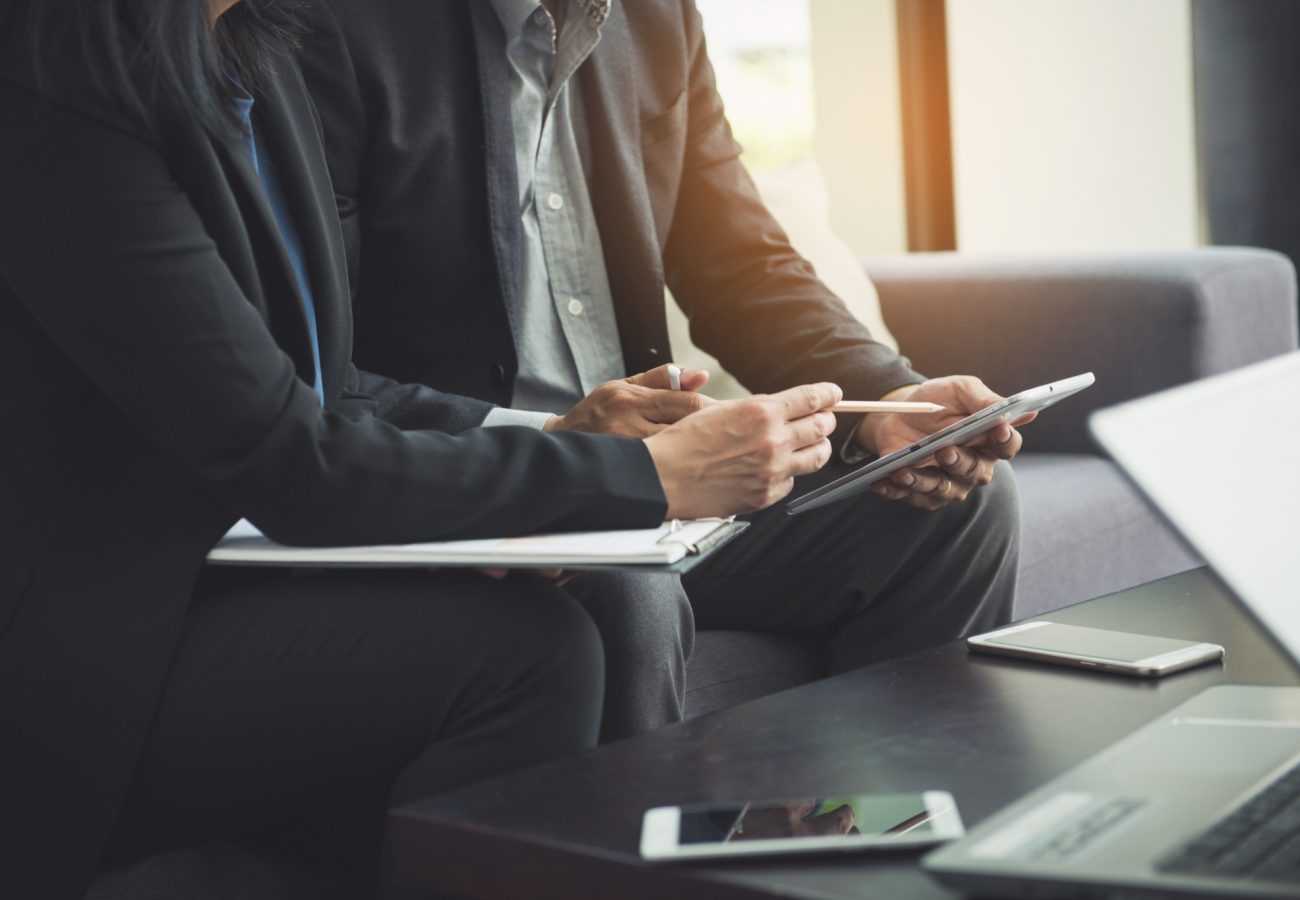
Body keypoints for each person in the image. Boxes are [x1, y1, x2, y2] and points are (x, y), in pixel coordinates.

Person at [0, 1, 844, 896]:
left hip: (231, 568)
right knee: (526, 653)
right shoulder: (53, 98)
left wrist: (563, 441)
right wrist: (640, 477)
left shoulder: (252, 57)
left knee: (557, 622)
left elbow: (332, 388)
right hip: (97, 637)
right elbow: (290, 460)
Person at [297, 0, 1026, 739]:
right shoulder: (334, 27)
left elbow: (741, 268)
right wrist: (557, 443)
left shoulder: (655, 18)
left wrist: (890, 396)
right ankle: (626, 855)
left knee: (959, 512)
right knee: (625, 591)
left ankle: (890, 841)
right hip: (478, 490)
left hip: (665, 487)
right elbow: (312, 370)